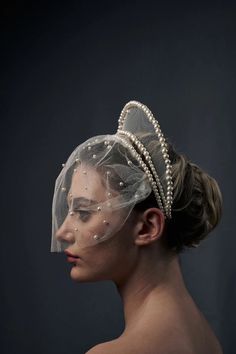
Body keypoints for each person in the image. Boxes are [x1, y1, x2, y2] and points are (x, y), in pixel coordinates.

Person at [51, 101, 223, 354]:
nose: (62, 232)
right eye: (70, 211)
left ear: (147, 227)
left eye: (84, 213)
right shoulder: (204, 336)